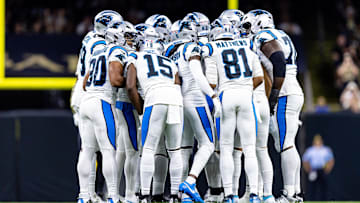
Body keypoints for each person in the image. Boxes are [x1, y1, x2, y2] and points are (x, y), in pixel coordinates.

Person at [242, 9, 304, 202]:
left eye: (248, 25)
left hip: (284, 92)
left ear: (258, 23)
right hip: (292, 89)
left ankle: (290, 193)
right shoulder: (282, 34)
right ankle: (296, 191)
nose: (247, 29)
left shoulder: (264, 35)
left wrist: (274, 95)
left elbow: (278, 59)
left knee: (286, 145)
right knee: (285, 143)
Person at [203, 18, 262, 203]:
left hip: (226, 96)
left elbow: (211, 83)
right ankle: (254, 194)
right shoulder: (248, 45)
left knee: (226, 149)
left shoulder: (213, 48)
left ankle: (229, 195)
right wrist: (243, 87)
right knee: (250, 149)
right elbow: (259, 77)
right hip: (246, 96)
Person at [164, 18, 220, 203]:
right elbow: (196, 74)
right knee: (208, 144)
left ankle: (178, 194)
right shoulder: (190, 47)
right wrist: (212, 96)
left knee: (183, 149)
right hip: (194, 98)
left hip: (177, 101)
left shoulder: (168, 50)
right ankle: (190, 181)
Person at [126, 26, 183, 203]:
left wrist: (141, 110)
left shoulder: (135, 56)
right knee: (175, 151)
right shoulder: (169, 61)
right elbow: (177, 82)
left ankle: (144, 195)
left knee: (149, 149)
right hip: (176, 98)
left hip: (155, 98)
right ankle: (174, 195)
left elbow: (130, 86)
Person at [72, 10, 123, 203]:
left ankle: (84, 195)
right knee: (109, 150)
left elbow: (84, 79)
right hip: (102, 100)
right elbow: (115, 77)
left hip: (85, 97)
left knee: (87, 150)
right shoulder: (110, 48)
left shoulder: (90, 40)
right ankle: (112, 196)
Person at [302, 135, 335, 201]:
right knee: (312, 187)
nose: (317, 142)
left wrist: (328, 169)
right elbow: (305, 161)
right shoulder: (310, 150)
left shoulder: (325, 149)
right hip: (313, 170)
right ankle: (311, 200)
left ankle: (325, 200)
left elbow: (331, 160)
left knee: (324, 186)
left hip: (322, 170)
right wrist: (308, 170)